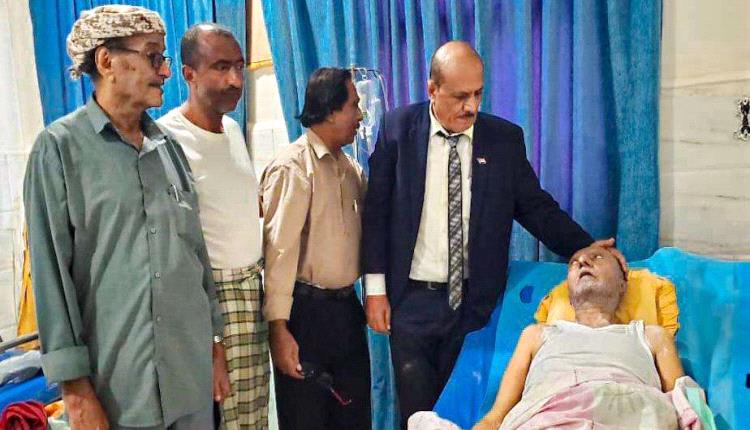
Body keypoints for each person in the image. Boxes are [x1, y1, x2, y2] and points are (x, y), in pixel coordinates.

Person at [362, 40, 626, 427]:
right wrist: (375, 289)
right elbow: (376, 213)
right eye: (460, 96)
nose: (471, 106)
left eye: (478, 94)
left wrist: (584, 246)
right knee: (418, 416)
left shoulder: (503, 140)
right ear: (432, 89)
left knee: (469, 413)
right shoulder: (397, 130)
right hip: (412, 301)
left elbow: (535, 207)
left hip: (475, 305)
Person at [23, 5, 227, 429]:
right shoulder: (59, 150)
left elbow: (196, 255)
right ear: (106, 61)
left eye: (162, 58)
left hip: (191, 382)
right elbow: (51, 278)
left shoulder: (168, 148)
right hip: (120, 392)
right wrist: (75, 392)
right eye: (152, 56)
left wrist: (214, 343)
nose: (164, 71)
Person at [158, 24, 269, 429]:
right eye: (221, 67)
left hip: (252, 292)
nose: (235, 80)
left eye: (239, 66)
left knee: (253, 418)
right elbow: (173, 250)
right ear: (188, 73)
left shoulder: (233, 130)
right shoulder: (168, 140)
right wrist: (209, 339)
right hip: (212, 300)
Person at [260, 68, 371, 429]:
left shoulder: (350, 170)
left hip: (346, 312)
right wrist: (279, 330)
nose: (360, 115)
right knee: (306, 419)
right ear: (330, 110)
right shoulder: (293, 167)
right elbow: (278, 254)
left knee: (353, 417)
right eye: (353, 106)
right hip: (304, 316)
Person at [473, 247, 684, 429]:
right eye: (574, 262)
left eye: (598, 257)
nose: (583, 261)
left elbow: (683, 404)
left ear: (623, 284)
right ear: (569, 294)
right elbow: (495, 418)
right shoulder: (536, 335)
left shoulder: (651, 336)